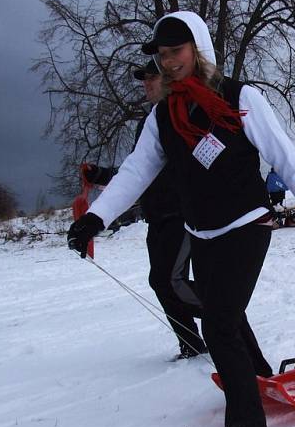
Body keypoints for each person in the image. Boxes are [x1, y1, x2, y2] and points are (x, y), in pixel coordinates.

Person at [67, 11, 295, 427]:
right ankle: (255, 379)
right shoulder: (164, 115)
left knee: (217, 325)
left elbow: (286, 158)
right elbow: (136, 172)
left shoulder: (241, 97)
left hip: (247, 226)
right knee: (227, 318)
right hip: (202, 233)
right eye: (161, 55)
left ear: (197, 49)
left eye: (175, 51)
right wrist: (94, 219)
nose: (168, 62)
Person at [82, 60, 207, 359]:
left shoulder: (187, 115)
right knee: (160, 282)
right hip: (157, 218)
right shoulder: (148, 123)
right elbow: (136, 171)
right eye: (144, 79)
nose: (145, 84)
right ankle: (190, 344)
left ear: (168, 80)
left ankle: (225, 315)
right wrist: (100, 175)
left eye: (151, 78)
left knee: (168, 281)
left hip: (183, 216)